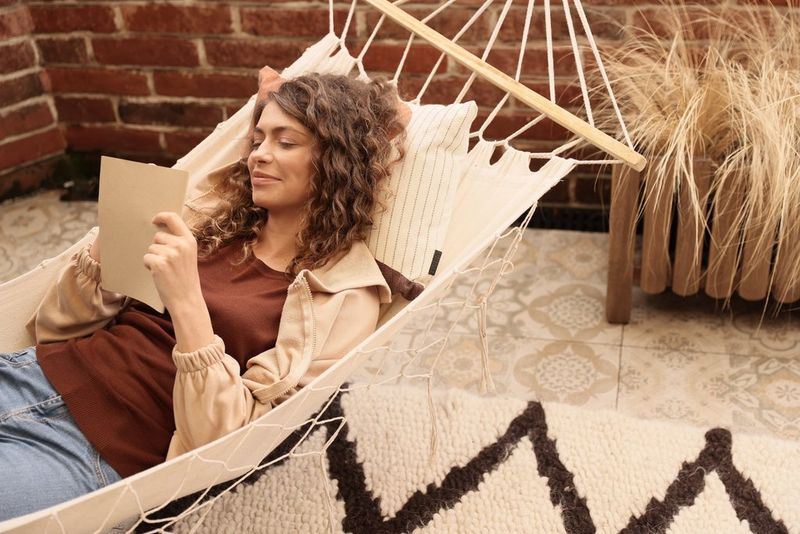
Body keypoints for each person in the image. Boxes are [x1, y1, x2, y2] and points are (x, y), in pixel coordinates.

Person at [0, 73, 404, 521]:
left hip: (99, 454)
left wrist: (188, 300)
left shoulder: (344, 294)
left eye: (286, 143)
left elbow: (232, 444)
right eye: (257, 140)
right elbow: (51, 328)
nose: (259, 156)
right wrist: (107, 257)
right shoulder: (216, 221)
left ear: (337, 161)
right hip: (34, 375)